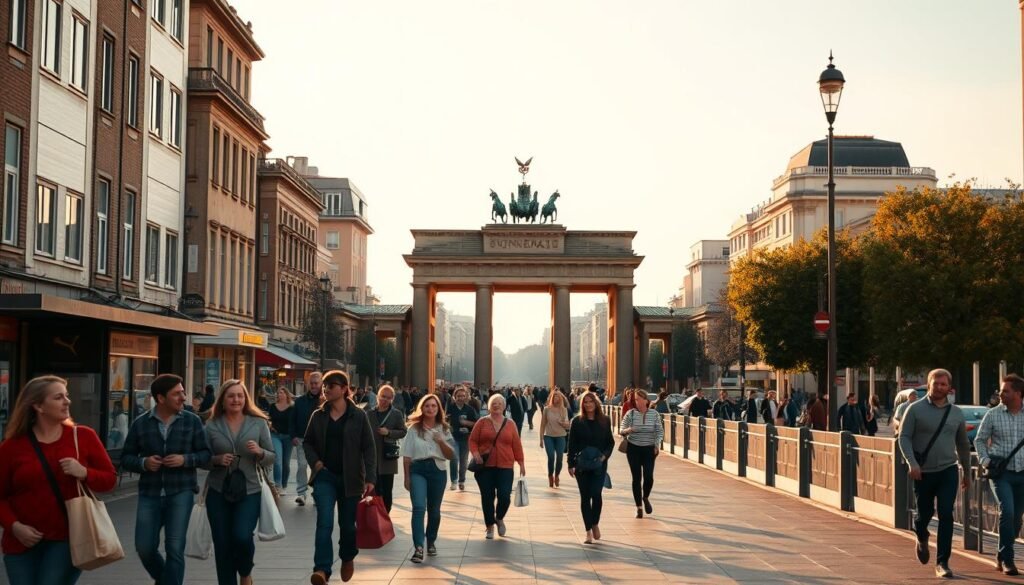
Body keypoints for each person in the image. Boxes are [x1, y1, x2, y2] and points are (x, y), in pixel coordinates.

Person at [0, 376, 117, 585]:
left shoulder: (83, 436)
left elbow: (109, 481)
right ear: (37, 405)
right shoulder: (12, 446)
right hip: (20, 542)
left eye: (67, 396)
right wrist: (14, 526)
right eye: (58, 397)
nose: (67, 401)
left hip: (68, 539)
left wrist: (85, 472)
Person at [121, 373, 211, 585]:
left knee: (174, 547)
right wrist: (144, 463)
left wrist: (184, 459)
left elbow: (206, 455)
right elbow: (125, 458)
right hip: (150, 493)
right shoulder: (141, 423)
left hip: (181, 491)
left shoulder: (192, 421)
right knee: (144, 548)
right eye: (177, 394)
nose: (183, 397)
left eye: (183, 392)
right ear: (161, 398)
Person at [897, 368, 971, 579]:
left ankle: (943, 562)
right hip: (923, 472)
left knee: (947, 513)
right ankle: (921, 535)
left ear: (949, 387)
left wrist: (966, 472)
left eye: (943, 384)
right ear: (928, 385)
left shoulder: (956, 413)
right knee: (924, 515)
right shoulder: (915, 409)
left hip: (948, 470)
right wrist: (912, 463)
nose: (939, 387)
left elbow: (963, 444)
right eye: (935, 383)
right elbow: (904, 438)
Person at [305, 370, 376, 585]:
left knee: (347, 526)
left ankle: (347, 557)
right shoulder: (318, 415)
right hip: (325, 477)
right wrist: (316, 463)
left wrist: (370, 478)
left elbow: (369, 448)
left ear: (344, 389)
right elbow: (307, 442)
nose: (326, 389)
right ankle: (322, 569)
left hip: (351, 478)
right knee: (324, 523)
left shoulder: (358, 416)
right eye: (324, 386)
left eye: (331, 385)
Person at [204, 380, 275, 585]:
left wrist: (260, 452)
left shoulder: (258, 422)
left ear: (246, 399)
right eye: (231, 396)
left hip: (249, 489)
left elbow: (272, 456)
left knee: (242, 536)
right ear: (223, 400)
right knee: (222, 544)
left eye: (240, 396)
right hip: (218, 490)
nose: (236, 400)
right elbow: (202, 458)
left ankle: (245, 572)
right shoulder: (211, 424)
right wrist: (216, 460)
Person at [974, 374, 1024, 576]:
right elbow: (979, 440)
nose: (1000, 394)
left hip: (1023, 473)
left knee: (1017, 518)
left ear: (1018, 393)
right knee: (1008, 512)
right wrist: (985, 461)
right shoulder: (993, 414)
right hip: (1001, 474)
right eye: (1001, 390)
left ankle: (1001, 554)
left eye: (1005, 390)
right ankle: (1009, 561)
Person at [403, 393, 455, 563]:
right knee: (418, 508)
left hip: (437, 470)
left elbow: (450, 455)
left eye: (433, 406)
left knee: (434, 511)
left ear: (438, 408)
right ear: (422, 408)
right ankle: (418, 547)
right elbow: (407, 456)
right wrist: (407, 478)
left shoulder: (444, 428)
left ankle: (430, 540)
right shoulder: (414, 429)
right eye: (427, 406)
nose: (430, 408)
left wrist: (441, 441)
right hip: (418, 469)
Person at [469, 393, 526, 539]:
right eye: (494, 403)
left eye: (499, 403)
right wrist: (475, 453)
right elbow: (473, 440)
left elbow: (516, 444)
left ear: (504, 406)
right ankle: (489, 526)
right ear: (489, 406)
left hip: (505, 465)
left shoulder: (510, 423)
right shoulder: (482, 422)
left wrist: (521, 462)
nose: (496, 405)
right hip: (485, 466)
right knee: (487, 497)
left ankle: (499, 518)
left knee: (504, 496)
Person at [567, 391, 615, 544]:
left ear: (596, 403)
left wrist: (604, 456)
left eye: (591, 402)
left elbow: (610, 442)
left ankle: (595, 522)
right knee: (585, 497)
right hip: (582, 465)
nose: (588, 404)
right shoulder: (577, 421)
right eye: (585, 402)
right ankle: (588, 531)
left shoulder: (605, 421)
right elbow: (571, 444)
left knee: (596, 494)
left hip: (598, 465)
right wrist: (570, 464)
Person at [619, 390, 664, 519]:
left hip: (649, 449)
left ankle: (645, 497)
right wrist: (629, 430)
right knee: (636, 478)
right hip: (634, 449)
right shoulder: (630, 414)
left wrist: (656, 444)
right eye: (635, 399)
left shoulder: (654, 414)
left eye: (639, 399)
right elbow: (621, 430)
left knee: (649, 477)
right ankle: (638, 507)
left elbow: (659, 431)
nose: (637, 402)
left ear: (646, 400)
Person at [365, 384, 407, 512]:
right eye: (383, 396)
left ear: (392, 399)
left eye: (388, 398)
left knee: (387, 491)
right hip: (371, 458)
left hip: (387, 458)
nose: (385, 400)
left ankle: (385, 515)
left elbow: (403, 431)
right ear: (378, 396)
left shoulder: (396, 414)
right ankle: (374, 516)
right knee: (373, 490)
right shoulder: (369, 413)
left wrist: (388, 432)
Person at [291, 370, 324, 506]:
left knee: (317, 467)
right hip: (302, 439)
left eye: (316, 383)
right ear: (307, 384)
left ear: (321, 384)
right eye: (312, 383)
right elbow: (292, 420)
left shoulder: (326, 402)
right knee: (302, 466)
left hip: (320, 441)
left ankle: (317, 493)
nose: (314, 386)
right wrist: (293, 435)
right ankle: (301, 493)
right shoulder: (300, 402)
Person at [446, 385, 479, 492]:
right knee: (454, 459)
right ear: (455, 397)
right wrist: (447, 426)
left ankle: (462, 481)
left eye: (463, 396)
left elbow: (476, 424)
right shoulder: (451, 407)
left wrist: (466, 423)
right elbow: (445, 420)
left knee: (463, 461)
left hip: (465, 438)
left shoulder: (469, 409)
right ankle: (454, 481)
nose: (461, 398)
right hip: (453, 438)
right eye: (459, 396)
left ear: (466, 397)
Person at [539, 389, 571, 488]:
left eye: (558, 396)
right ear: (552, 398)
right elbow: (542, 425)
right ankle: (550, 475)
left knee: (560, 458)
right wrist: (541, 439)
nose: (556, 398)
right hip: (548, 436)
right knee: (551, 457)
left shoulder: (564, 410)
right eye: (554, 396)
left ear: (560, 398)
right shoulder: (546, 409)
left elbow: (568, 425)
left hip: (560, 436)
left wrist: (562, 423)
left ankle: (557, 475)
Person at [269, 386, 295, 490]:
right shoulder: (273, 406)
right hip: (275, 436)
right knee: (277, 460)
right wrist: (270, 426)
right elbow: (269, 419)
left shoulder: (292, 407)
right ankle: (278, 485)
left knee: (286, 463)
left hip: (288, 437)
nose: (279, 394)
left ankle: (284, 484)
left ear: (286, 395)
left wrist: (295, 435)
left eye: (282, 392)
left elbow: (294, 422)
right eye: (278, 392)